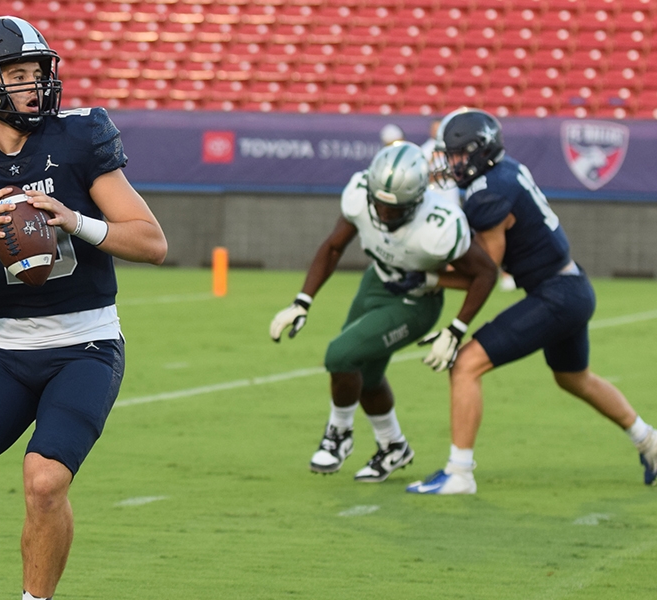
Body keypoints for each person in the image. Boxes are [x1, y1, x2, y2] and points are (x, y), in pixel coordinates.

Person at [0, 16, 166, 600]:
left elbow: (152, 242)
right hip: (8, 346)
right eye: (17, 74)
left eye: (37, 71)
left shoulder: (79, 137)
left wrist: (77, 222)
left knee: (44, 482)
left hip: (87, 344)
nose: (35, 84)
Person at [407, 108, 657, 495]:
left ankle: (459, 473)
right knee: (574, 377)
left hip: (556, 295)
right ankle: (650, 442)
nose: (452, 162)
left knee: (466, 365)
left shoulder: (488, 192)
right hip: (571, 286)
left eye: (458, 154)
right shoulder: (503, 172)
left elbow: (485, 273)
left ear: (479, 151)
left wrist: (432, 279)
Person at [270, 142, 498, 483]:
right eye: (380, 205)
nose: (386, 214)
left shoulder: (440, 225)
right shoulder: (361, 196)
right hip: (376, 283)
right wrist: (303, 300)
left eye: (397, 209)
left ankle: (339, 434)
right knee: (367, 378)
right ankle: (393, 446)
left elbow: (484, 274)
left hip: (416, 302)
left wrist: (455, 327)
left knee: (340, 356)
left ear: (419, 198)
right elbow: (333, 247)